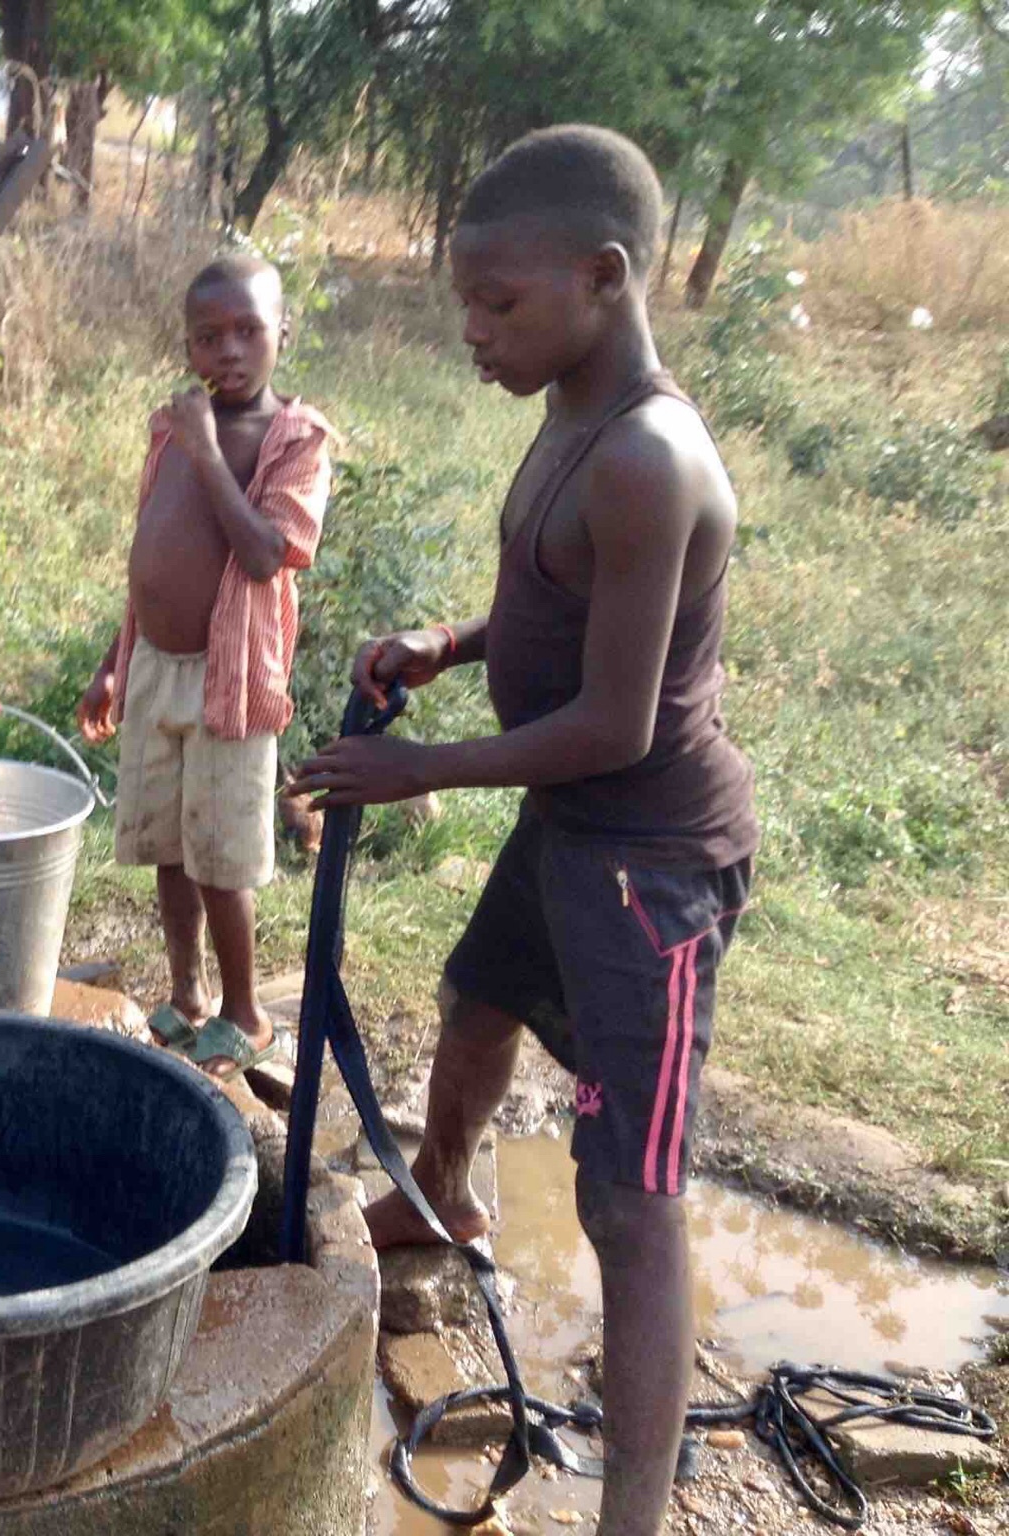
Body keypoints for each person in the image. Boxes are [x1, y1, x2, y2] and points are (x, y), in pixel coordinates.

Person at [288, 126, 757, 1536]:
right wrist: (446, 642)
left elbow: (617, 720)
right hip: (571, 826)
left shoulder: (648, 454)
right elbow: (561, 599)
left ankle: (632, 1515)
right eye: (467, 306)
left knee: (632, 1203)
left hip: (650, 862)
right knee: (476, 1006)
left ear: (605, 276)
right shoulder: (571, 413)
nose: (475, 334)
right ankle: (446, 1200)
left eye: (499, 304)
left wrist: (423, 764)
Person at [78, 255, 334, 1080]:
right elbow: (147, 556)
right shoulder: (170, 430)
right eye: (208, 336)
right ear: (187, 347)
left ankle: (246, 1013)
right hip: (155, 668)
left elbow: (266, 553)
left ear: (282, 335)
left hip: (232, 682)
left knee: (221, 856)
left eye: (249, 332)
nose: (230, 351)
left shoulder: (296, 440)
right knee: (168, 844)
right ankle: (186, 997)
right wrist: (117, 663)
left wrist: (209, 449)